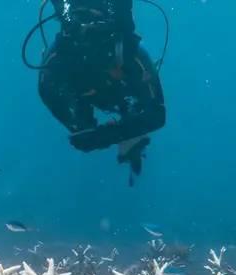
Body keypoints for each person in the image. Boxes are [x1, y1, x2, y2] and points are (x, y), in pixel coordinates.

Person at [38, 0, 165, 184]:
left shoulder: (129, 53)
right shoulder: (57, 63)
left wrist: (98, 136)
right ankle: (129, 131)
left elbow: (156, 114)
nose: (90, 26)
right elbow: (156, 115)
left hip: (117, 92)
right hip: (93, 94)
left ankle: (129, 124)